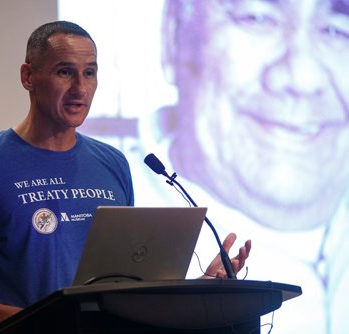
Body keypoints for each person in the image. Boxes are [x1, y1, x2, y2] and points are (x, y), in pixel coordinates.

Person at [0, 21, 251, 332]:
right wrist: (30, 325)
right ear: (28, 76)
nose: (80, 88)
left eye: (89, 73)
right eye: (64, 72)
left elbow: (124, 283)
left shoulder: (113, 163)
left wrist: (200, 288)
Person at [136, 0, 349, 333]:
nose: (302, 77)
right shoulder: (114, 204)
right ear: (174, 36)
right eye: (257, 18)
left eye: (338, 30)